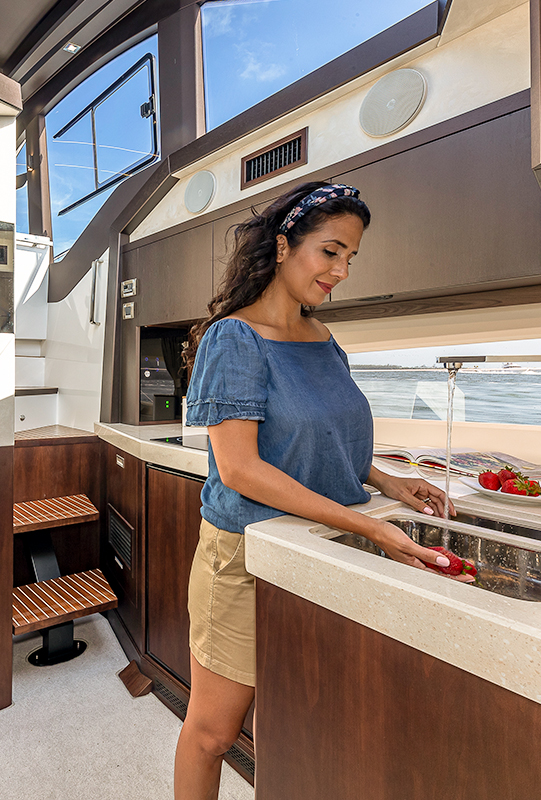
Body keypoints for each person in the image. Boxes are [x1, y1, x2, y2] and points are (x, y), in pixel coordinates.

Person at [173, 181, 471, 800]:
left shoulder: (322, 337)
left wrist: (389, 481)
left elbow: (328, 439)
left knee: (301, 726)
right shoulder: (234, 338)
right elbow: (240, 469)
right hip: (247, 558)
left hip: (318, 550)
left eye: (350, 258)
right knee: (213, 733)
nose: (340, 270)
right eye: (329, 251)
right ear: (284, 247)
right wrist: (370, 525)